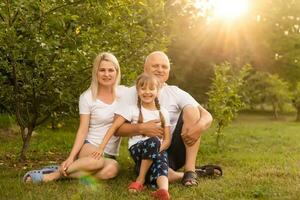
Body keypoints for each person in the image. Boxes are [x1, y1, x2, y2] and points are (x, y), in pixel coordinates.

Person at [23, 52, 127, 183]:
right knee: (98, 162)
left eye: (110, 70)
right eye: (102, 70)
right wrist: (71, 156)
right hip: (90, 146)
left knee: (112, 170)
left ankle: (61, 171)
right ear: (96, 72)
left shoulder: (125, 93)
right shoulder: (87, 97)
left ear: (117, 72)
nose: (106, 74)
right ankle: (50, 176)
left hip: (110, 153)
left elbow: (148, 87)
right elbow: (83, 130)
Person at [116, 51, 215, 186]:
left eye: (164, 67)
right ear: (145, 69)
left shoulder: (175, 92)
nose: (160, 70)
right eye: (155, 66)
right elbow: (117, 129)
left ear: (168, 71)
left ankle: (190, 170)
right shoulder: (131, 93)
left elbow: (207, 115)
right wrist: (141, 128)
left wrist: (199, 127)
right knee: (160, 176)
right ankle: (189, 174)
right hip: (147, 150)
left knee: (192, 111)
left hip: (173, 149)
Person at [91, 73, 171, 200]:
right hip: (138, 149)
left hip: (157, 149)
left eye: (151, 88)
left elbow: (167, 140)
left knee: (160, 164)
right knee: (154, 141)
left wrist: (157, 151)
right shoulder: (132, 109)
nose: (147, 92)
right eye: (143, 88)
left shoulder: (163, 113)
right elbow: (114, 127)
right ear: (138, 91)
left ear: (158, 90)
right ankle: (140, 179)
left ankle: (163, 191)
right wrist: (101, 147)